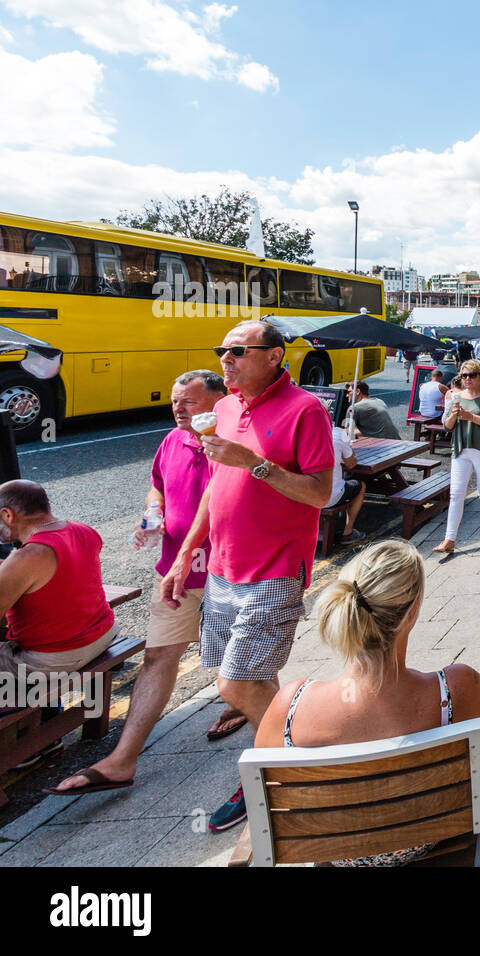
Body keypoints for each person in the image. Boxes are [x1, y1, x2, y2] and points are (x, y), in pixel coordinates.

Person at [161, 320, 335, 833]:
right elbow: (215, 490)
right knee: (252, 681)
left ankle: (287, 766)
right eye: (222, 350)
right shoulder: (226, 408)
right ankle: (282, 765)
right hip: (221, 567)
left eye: (238, 351)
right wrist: (184, 554)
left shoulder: (306, 409)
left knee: (235, 684)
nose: (226, 359)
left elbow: (320, 493)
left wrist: (254, 464)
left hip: (275, 568)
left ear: (275, 356)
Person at [256, 540, 480, 865]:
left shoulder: (290, 707)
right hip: (432, 848)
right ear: (411, 613)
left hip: (339, 856)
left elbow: (267, 801)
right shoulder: (454, 691)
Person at [51, 371, 235, 796]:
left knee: (241, 654)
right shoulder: (171, 441)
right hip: (175, 571)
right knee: (158, 656)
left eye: (189, 401)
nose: (179, 408)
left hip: (230, 569)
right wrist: (153, 519)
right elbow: (158, 487)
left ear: (218, 403)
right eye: (175, 400)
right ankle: (123, 758)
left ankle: (252, 715)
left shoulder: (231, 444)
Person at [0, 481, 117, 680]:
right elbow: (57, 576)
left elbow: (29, 566)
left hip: (54, 658)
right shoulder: (84, 531)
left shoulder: (27, 556)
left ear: (7, 515)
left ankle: (36, 710)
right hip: (102, 635)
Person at [432, 359, 480, 555]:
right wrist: (454, 415)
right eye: (464, 375)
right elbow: (446, 426)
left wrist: (471, 417)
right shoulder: (455, 396)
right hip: (461, 449)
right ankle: (449, 539)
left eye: (472, 375)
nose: (467, 379)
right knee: (456, 494)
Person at [327, 421, 366, 543]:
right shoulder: (337, 434)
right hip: (328, 497)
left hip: (301, 494)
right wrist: (349, 450)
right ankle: (347, 532)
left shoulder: (298, 432)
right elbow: (351, 464)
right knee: (361, 486)